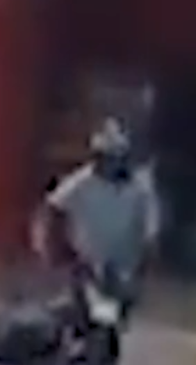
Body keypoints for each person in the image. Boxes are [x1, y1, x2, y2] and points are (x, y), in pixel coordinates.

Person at [36, 119, 160, 305]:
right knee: (79, 316)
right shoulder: (81, 183)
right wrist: (52, 250)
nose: (111, 164)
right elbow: (52, 208)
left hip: (125, 270)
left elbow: (151, 231)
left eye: (116, 157)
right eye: (106, 157)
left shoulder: (140, 187)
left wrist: (145, 265)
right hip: (86, 267)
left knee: (116, 318)